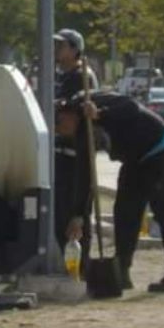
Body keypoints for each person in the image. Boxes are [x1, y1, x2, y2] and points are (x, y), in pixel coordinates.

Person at [58, 86, 164, 293]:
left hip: (157, 146)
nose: (61, 130)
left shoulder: (93, 101)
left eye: (60, 123)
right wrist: (78, 215)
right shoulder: (80, 134)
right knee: (125, 212)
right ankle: (122, 270)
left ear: (67, 113)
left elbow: (131, 108)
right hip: (134, 159)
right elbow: (85, 176)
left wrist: (100, 114)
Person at [50, 26, 102, 259]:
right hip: (58, 152)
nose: (56, 49)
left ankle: (82, 266)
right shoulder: (59, 76)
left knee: (76, 213)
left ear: (74, 49)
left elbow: (70, 119)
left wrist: (57, 115)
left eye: (61, 45)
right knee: (59, 212)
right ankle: (65, 259)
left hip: (76, 155)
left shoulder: (82, 77)